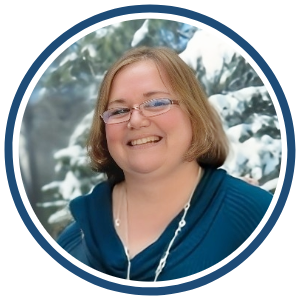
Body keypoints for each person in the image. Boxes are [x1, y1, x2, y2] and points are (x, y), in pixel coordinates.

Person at [57, 46, 272, 281]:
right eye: (119, 110)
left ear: (193, 112)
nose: (136, 120)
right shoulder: (70, 246)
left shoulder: (258, 218)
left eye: (157, 103)